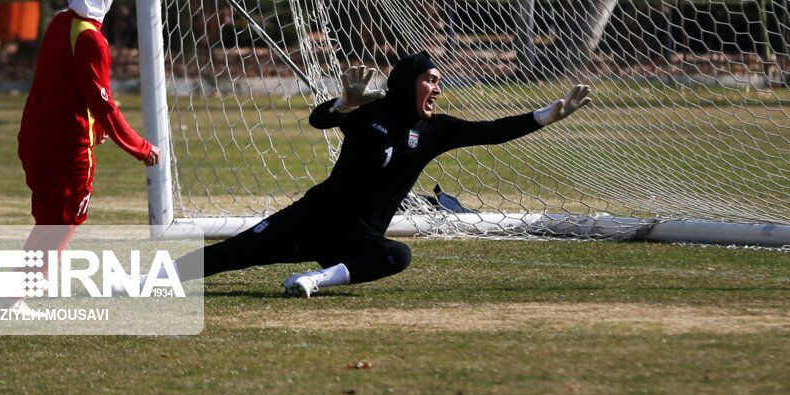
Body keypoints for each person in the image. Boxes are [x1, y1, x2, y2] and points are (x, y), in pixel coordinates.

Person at [175, 51, 591, 297]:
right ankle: (142, 281)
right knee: (227, 256)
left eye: (439, 82)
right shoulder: (369, 110)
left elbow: (493, 133)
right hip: (311, 218)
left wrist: (547, 115)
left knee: (398, 255)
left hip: (356, 241)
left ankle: (314, 280)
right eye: (430, 80)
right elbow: (319, 120)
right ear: (409, 82)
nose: (438, 89)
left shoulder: (435, 131)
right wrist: (344, 103)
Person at [8, 0, 159, 314]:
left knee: (48, 220)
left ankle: (18, 291)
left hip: (34, 137)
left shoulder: (59, 23)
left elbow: (65, 90)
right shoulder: (92, 40)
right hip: (65, 149)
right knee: (62, 224)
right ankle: (12, 298)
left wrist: (96, 125)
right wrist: (142, 148)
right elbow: (102, 103)